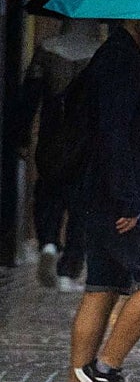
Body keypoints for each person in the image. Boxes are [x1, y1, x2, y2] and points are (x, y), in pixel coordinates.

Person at [58, 19, 140, 382]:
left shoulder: (122, 59)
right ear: (132, 18)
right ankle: (105, 369)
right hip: (120, 199)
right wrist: (128, 200)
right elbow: (112, 135)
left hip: (98, 196)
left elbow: (134, 125)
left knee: (102, 289)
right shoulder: (120, 63)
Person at [12, 19, 102, 291]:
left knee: (48, 194)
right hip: (87, 142)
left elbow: (29, 98)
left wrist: (22, 137)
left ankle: (48, 242)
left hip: (52, 137)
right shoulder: (99, 53)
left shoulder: (47, 50)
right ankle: (70, 267)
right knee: (81, 206)